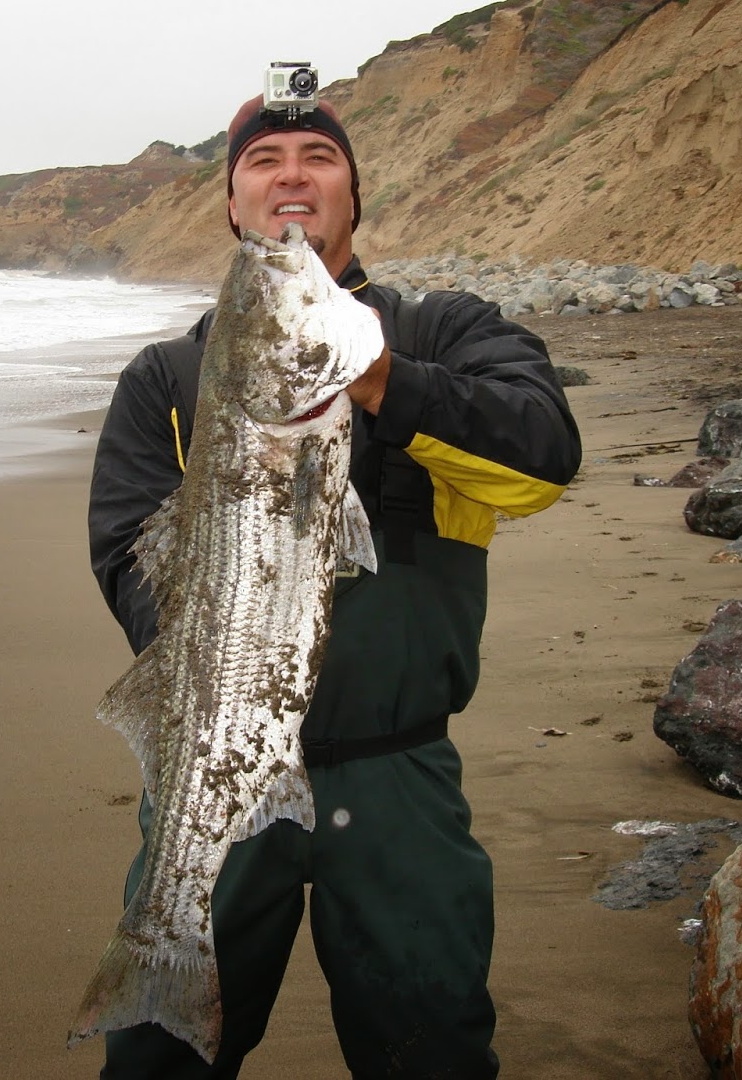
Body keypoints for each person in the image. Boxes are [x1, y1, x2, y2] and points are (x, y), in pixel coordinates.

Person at [87, 92, 583, 1079]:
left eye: (319, 156)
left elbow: (542, 460)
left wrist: (380, 382)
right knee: (154, 1064)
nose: (291, 174)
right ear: (232, 203)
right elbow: (121, 549)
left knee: (430, 1052)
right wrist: (234, 632)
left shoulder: (445, 329)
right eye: (264, 160)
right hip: (213, 758)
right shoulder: (167, 375)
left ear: (354, 197)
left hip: (395, 772)